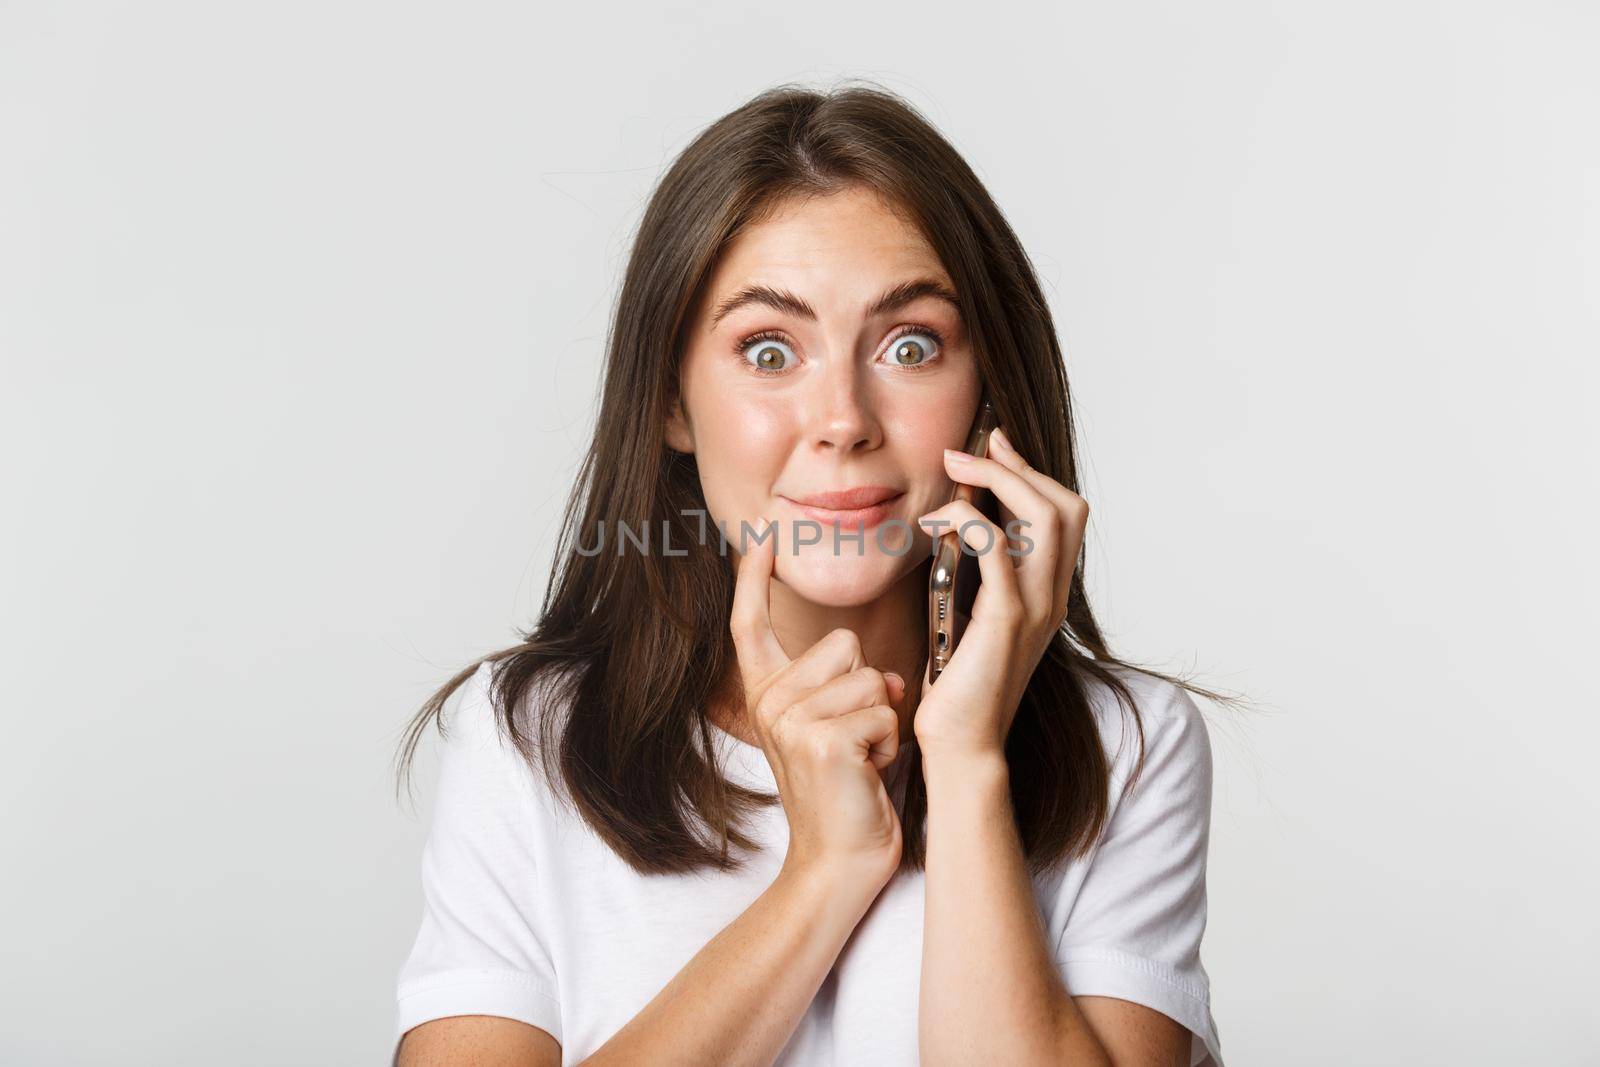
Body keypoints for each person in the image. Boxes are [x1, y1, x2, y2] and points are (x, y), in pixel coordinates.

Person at [391, 81, 1231, 1067]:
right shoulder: (531, 737)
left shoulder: (1126, 746)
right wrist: (824, 871)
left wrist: (963, 765)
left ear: (985, 390)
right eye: (768, 349)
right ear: (671, 401)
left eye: (910, 345)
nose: (842, 417)